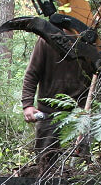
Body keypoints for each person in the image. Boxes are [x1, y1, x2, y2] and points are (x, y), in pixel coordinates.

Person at [20, 37, 91, 168]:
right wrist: (28, 105)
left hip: (81, 114)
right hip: (48, 114)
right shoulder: (47, 39)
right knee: (45, 165)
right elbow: (32, 73)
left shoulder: (90, 40)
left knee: (83, 167)